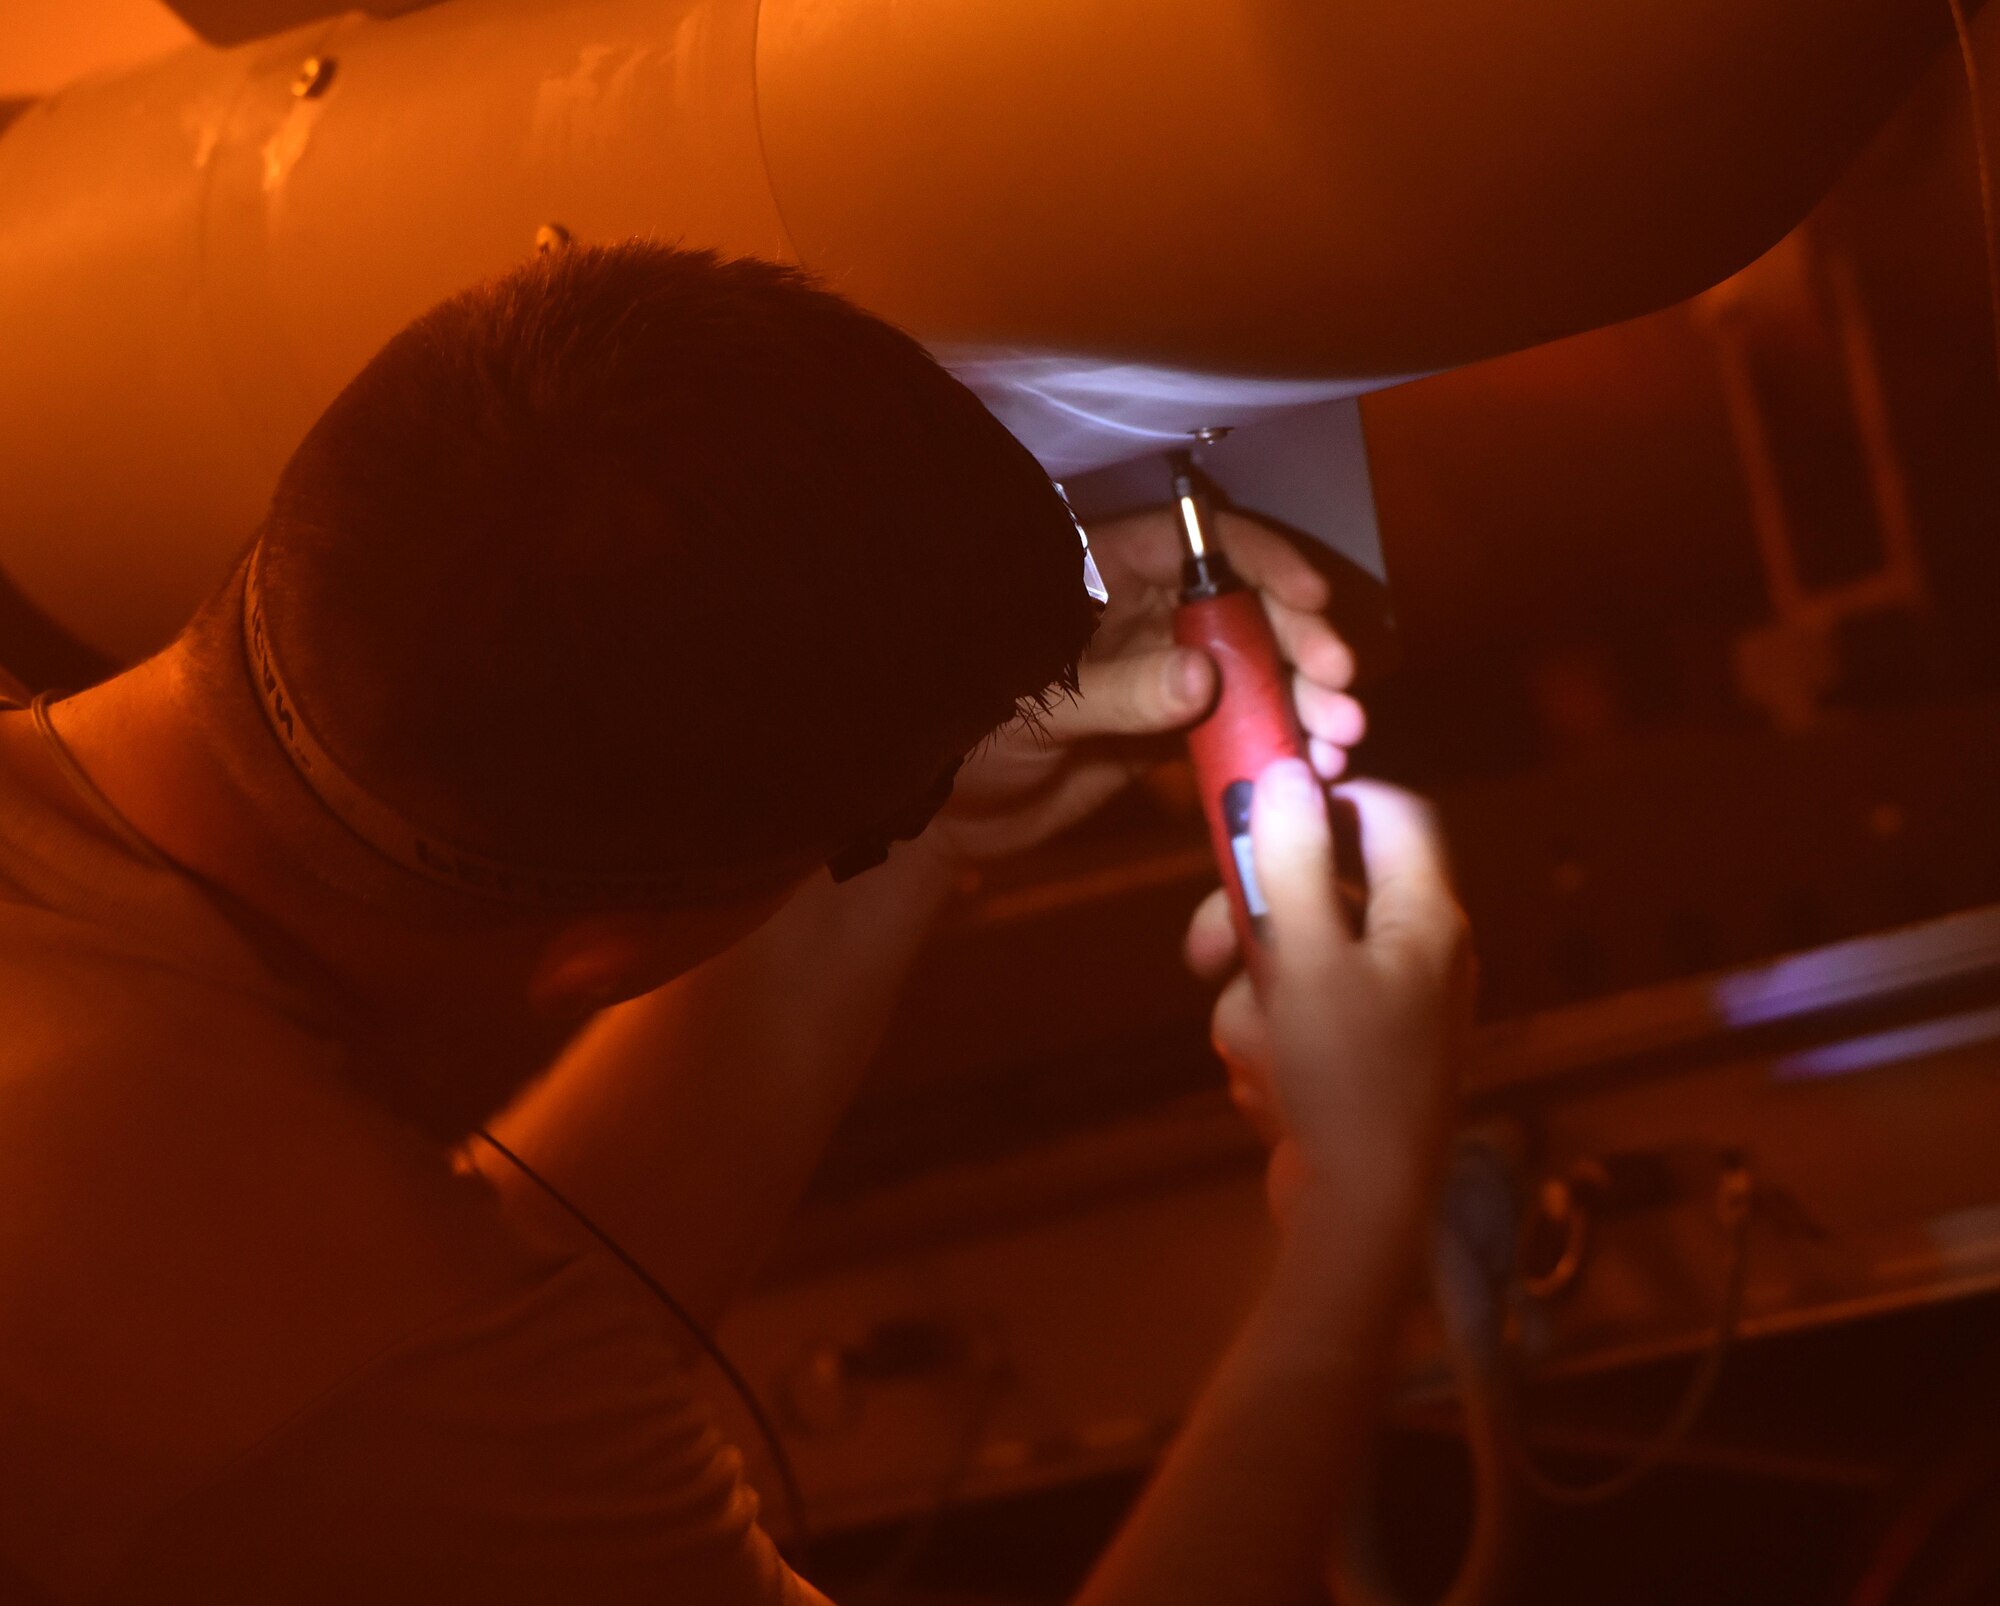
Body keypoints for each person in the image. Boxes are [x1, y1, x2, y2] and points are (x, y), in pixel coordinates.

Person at [0, 240, 1470, 1604]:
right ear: (600, 964)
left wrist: (912, 824)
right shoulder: (328, 1349)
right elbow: (382, 1378)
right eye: (852, 845)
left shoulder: (285, 1307)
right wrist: (1356, 1208)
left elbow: (396, 1392)